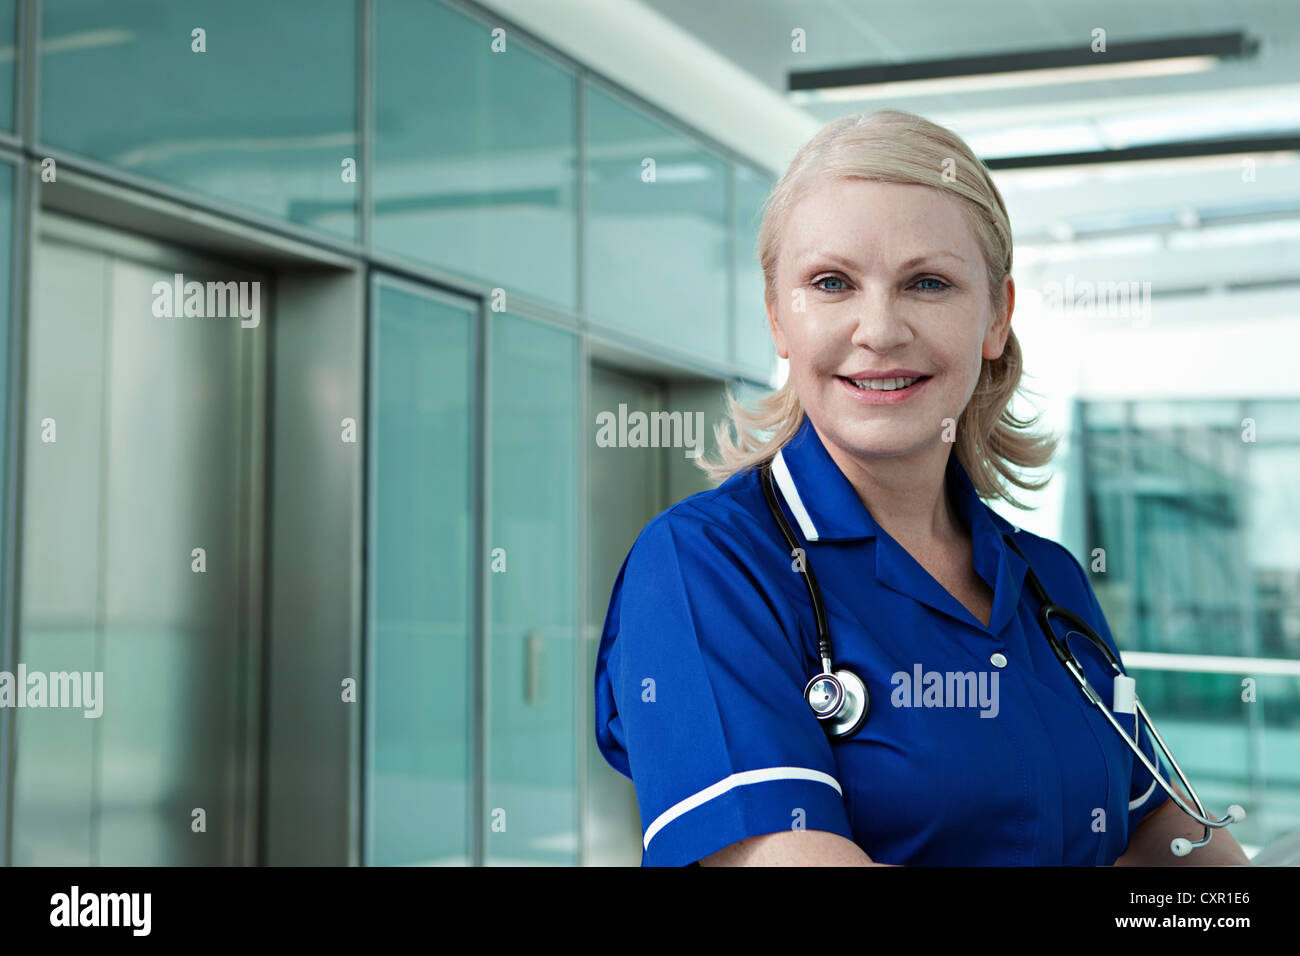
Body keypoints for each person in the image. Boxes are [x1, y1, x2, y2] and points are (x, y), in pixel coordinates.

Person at [592, 109, 1250, 868]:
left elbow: (1162, 833)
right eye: (831, 283)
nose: (879, 328)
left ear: (996, 317)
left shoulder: (1048, 579)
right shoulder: (702, 568)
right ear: (779, 317)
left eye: (928, 282)